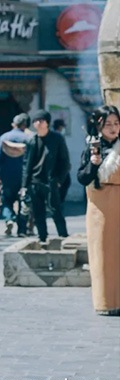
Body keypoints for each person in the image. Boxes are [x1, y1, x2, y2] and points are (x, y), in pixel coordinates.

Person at [77, 105, 120, 316]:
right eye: (108, 124)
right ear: (99, 126)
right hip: (100, 210)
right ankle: (105, 303)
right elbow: (82, 178)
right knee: (102, 256)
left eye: (116, 123)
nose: (113, 128)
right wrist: (94, 164)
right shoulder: (92, 148)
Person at [21, 110, 70, 243]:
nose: (38, 123)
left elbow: (65, 161)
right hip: (34, 182)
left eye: (41, 121)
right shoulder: (32, 140)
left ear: (47, 123)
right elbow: (27, 164)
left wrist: (59, 180)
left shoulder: (56, 138)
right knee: (38, 213)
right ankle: (42, 238)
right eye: (36, 121)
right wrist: (24, 185)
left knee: (56, 211)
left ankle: (63, 237)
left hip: (51, 181)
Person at [0, 113, 32, 237]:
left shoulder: (4, 137)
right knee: (23, 202)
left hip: (6, 176)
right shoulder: (28, 139)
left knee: (7, 201)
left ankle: (9, 219)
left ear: (14, 124)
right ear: (25, 124)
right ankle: (22, 230)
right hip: (23, 177)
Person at [52, 119, 72, 202]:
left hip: (61, 165)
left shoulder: (58, 136)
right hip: (59, 166)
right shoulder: (57, 136)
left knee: (65, 183)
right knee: (64, 183)